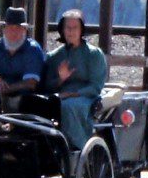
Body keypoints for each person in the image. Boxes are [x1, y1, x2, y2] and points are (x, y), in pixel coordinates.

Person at [44, 9, 108, 150]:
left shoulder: (94, 54)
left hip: (86, 97)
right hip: (59, 95)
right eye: (68, 27)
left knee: (69, 106)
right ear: (62, 30)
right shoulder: (54, 56)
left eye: (75, 28)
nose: (71, 31)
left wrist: (73, 94)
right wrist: (60, 80)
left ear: (81, 30)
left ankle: (77, 147)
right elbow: (47, 85)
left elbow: (96, 86)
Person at [0, 7, 46, 110]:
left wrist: (5, 89)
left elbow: (31, 83)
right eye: (10, 28)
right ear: (4, 29)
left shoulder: (32, 49)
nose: (13, 33)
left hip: (26, 102)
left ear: (25, 30)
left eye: (18, 28)